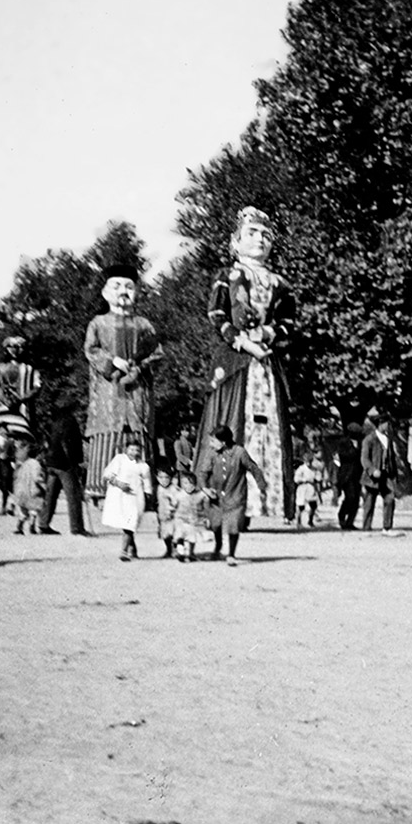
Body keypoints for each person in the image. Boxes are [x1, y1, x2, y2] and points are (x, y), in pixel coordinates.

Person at [194, 207, 296, 521]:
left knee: (268, 429)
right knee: (232, 425)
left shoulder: (280, 282)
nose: (260, 240)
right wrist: (244, 341)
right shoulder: (227, 276)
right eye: (252, 233)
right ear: (235, 242)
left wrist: (267, 333)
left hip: (267, 363)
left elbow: (288, 322)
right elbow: (218, 317)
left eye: (266, 235)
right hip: (236, 362)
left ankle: (265, 504)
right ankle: (225, 506)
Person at [83, 263, 164, 499]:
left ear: (137, 292)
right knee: (107, 435)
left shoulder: (143, 324)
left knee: (139, 434)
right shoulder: (98, 323)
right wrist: (113, 362)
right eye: (116, 286)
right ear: (105, 292)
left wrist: (140, 367)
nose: (123, 291)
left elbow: (157, 353)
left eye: (129, 286)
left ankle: (143, 491)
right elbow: (90, 350)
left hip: (138, 391)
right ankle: (100, 489)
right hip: (108, 392)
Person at [198, 424, 267, 566]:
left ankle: (231, 554)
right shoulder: (211, 454)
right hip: (216, 496)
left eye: (213, 441)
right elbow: (203, 472)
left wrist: (262, 486)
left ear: (223, 442)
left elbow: (253, 468)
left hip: (236, 495)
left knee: (233, 525)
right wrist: (205, 488)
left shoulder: (239, 452)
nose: (211, 444)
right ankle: (218, 546)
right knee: (216, 524)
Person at [101, 436, 151, 561]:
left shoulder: (143, 466)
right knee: (127, 524)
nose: (134, 453)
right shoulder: (119, 459)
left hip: (135, 497)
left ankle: (123, 551)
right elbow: (107, 474)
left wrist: (148, 495)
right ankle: (132, 549)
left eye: (137, 450)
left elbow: (147, 483)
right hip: (120, 497)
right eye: (131, 449)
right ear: (126, 449)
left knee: (131, 522)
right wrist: (118, 483)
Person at [38, 413, 87, 536]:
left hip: (52, 462)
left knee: (50, 495)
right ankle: (76, 527)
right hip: (65, 464)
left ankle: (43, 523)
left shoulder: (55, 421)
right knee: (73, 496)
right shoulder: (70, 421)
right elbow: (67, 443)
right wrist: (74, 463)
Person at [361, 417, 401, 535]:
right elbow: (364, 458)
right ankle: (366, 528)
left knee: (390, 498)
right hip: (373, 476)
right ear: (380, 424)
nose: (388, 426)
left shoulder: (388, 439)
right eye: (386, 423)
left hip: (386, 475)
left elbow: (391, 458)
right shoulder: (369, 439)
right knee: (369, 502)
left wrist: (394, 475)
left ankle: (387, 527)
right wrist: (372, 470)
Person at [0, 336, 43, 426]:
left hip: (25, 408)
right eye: (12, 347)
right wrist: (4, 398)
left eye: (20, 347)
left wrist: (22, 398)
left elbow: (37, 386)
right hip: (4, 406)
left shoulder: (30, 368)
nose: (16, 350)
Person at [11, 435, 46, 535]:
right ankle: (32, 526)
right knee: (34, 510)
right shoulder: (36, 464)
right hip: (32, 490)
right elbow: (37, 478)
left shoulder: (24, 464)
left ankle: (19, 526)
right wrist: (44, 486)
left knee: (23, 511)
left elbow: (17, 476)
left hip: (21, 490)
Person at [172, 471, 209, 561]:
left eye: (191, 483)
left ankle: (191, 553)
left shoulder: (200, 495)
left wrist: (206, 518)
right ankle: (180, 552)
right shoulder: (179, 495)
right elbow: (173, 505)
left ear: (195, 484)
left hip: (193, 519)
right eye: (185, 483)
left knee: (192, 536)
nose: (188, 486)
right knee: (180, 534)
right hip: (180, 518)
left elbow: (206, 505)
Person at [335, 423, 364, 530]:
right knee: (350, 497)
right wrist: (355, 450)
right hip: (346, 475)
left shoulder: (361, 443)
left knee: (356, 499)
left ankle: (350, 521)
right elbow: (343, 456)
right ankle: (341, 516)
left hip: (357, 474)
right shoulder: (344, 442)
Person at [155, 468, 178, 558]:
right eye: (161, 477)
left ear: (171, 478)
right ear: (157, 478)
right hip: (162, 514)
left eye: (166, 477)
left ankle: (175, 549)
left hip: (172, 515)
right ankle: (168, 549)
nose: (164, 480)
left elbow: (177, 501)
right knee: (165, 534)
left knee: (173, 533)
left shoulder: (173, 489)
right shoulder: (158, 488)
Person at [294, 454, 319, 527]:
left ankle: (310, 521)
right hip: (303, 488)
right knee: (301, 506)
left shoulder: (314, 469)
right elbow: (296, 479)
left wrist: (317, 479)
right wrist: (304, 480)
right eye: (307, 461)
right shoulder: (301, 469)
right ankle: (298, 522)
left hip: (311, 488)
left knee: (313, 505)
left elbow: (317, 477)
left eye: (310, 461)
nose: (309, 463)